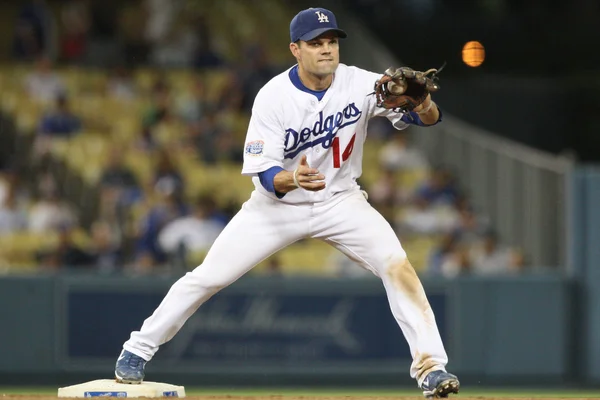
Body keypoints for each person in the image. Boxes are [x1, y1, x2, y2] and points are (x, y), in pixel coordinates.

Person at [115, 7, 460, 398]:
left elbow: (427, 119)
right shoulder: (273, 97)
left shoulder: (362, 83)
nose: (327, 50)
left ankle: (432, 369)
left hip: (341, 201)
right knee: (208, 277)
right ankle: (136, 349)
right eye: (316, 43)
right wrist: (291, 177)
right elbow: (263, 173)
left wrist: (421, 104)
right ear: (296, 49)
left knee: (396, 265)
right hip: (275, 208)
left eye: (331, 41)